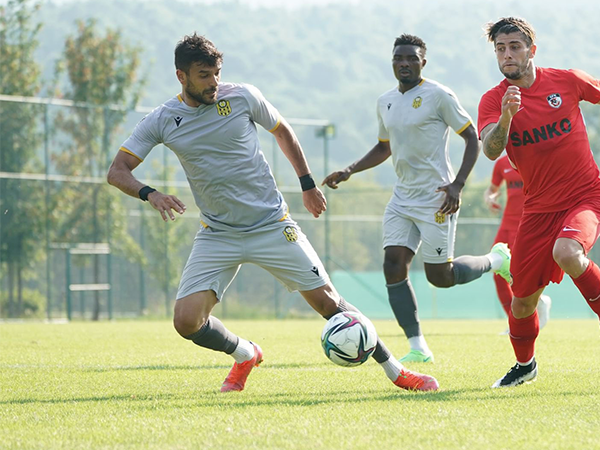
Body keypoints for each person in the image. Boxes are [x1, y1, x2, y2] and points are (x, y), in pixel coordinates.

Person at [106, 33, 438, 392]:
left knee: (330, 303)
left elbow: (283, 132)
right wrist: (150, 194)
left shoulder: (243, 96)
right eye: (204, 75)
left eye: (217, 72)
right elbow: (117, 171)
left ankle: (398, 373)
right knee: (186, 322)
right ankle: (245, 353)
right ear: (181, 76)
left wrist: (307, 184)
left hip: (272, 225)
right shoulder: (162, 119)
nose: (214, 82)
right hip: (217, 233)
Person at [478, 17, 600, 388]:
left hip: (586, 197)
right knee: (522, 303)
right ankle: (526, 365)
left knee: (567, 252)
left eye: (514, 47)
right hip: (537, 212)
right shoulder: (493, 100)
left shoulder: (566, 80)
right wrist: (506, 115)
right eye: (500, 49)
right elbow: (491, 150)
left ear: (531, 51)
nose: (507, 55)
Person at [322, 34, 511, 364]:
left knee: (441, 277)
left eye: (411, 58)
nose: (404, 63)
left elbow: (471, 139)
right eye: (398, 58)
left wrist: (457, 185)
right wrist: (350, 170)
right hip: (401, 199)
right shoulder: (385, 101)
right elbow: (385, 146)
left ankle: (496, 261)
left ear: (423, 62)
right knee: (393, 266)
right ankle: (417, 346)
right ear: (392, 62)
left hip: (437, 198)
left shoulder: (439, 95)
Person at [484, 156, 551, 335]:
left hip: (527, 224)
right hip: (506, 225)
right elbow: (492, 189)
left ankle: (535, 306)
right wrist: (489, 198)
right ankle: (514, 322)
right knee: (498, 273)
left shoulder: (534, 157)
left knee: (517, 273)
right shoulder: (501, 163)